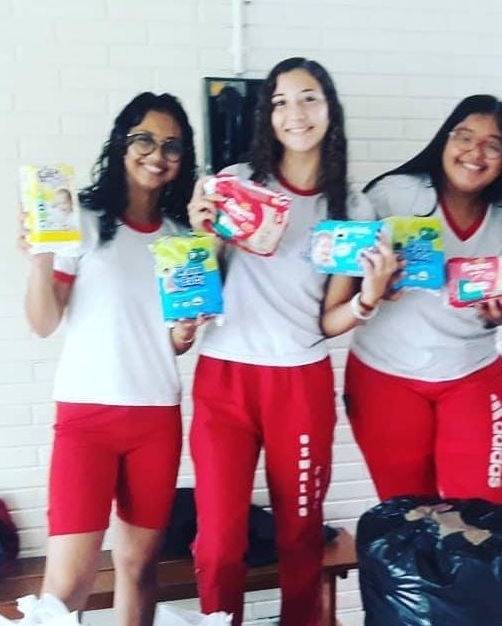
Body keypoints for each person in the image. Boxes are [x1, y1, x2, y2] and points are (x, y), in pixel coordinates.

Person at [186, 57, 396, 626]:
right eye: (280, 102)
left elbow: (329, 319)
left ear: (330, 110)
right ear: (267, 115)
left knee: (300, 535)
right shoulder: (235, 183)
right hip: (224, 377)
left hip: (300, 383)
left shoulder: (352, 208)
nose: (294, 114)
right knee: (219, 542)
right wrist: (204, 236)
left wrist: (369, 298)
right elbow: (202, 287)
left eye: (308, 99)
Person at [20, 92, 198, 626]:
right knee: (66, 586)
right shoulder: (81, 221)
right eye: (144, 139)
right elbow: (44, 322)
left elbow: (173, 342)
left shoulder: (183, 240)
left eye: (171, 146)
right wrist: (40, 260)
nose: (157, 154)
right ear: (122, 144)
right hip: (87, 421)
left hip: (155, 419)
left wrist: (184, 333)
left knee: (139, 569)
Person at [345, 94, 502, 505]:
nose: (475, 153)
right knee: (406, 514)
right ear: (445, 139)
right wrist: (373, 287)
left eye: (493, 145)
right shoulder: (394, 195)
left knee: (481, 515)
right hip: (385, 377)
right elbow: (342, 274)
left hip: (472, 375)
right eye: (464, 137)